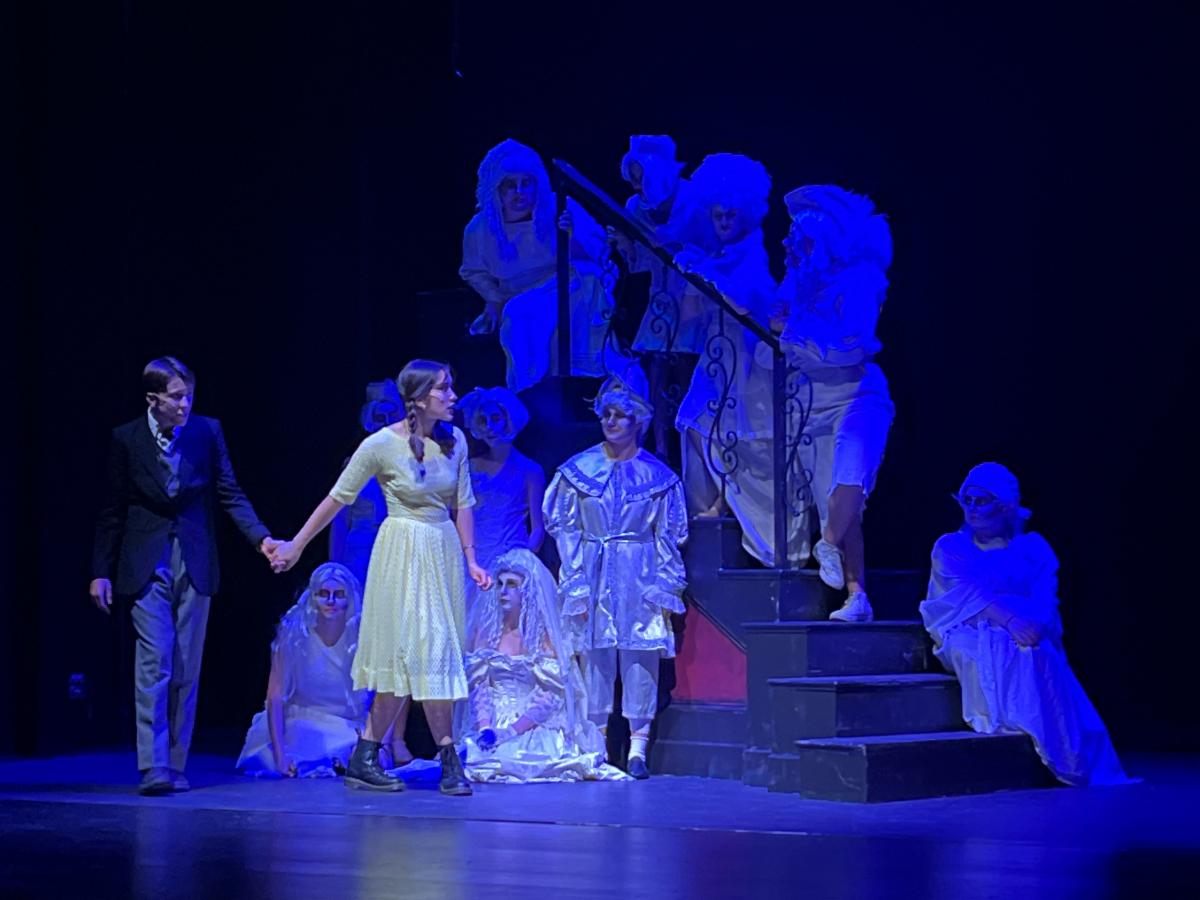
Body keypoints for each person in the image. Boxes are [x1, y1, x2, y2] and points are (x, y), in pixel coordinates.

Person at [269, 360, 491, 795]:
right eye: (444, 389)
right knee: (408, 653)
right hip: (401, 551)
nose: (453, 396)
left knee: (435, 651)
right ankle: (442, 758)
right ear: (419, 398)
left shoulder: (456, 441)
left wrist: (471, 560)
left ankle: (368, 755)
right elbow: (337, 499)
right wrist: (296, 544)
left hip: (442, 550)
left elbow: (463, 503)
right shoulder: (380, 445)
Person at [90, 356, 278, 795]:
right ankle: (152, 764)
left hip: (194, 558)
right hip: (145, 560)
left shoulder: (206, 432)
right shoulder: (127, 438)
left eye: (189, 395)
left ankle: (175, 763)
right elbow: (112, 509)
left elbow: (229, 492)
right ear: (153, 399)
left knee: (185, 665)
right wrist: (100, 571)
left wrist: (261, 538)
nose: (185, 404)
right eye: (176, 397)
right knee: (155, 659)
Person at [919, 462, 1130, 786]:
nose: (972, 508)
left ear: (1004, 506)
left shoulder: (1032, 549)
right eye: (967, 500)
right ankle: (1011, 731)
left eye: (981, 501)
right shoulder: (952, 546)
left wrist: (1033, 623)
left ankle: (1049, 746)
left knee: (1034, 652)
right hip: (970, 624)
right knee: (990, 649)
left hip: (1024, 625)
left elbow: (1045, 596)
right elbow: (962, 593)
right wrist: (1009, 620)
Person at [544, 375, 688, 779]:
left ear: (636, 421)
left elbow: (668, 535)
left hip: (639, 572)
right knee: (595, 657)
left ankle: (637, 749)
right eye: (606, 414)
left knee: (641, 656)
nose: (611, 421)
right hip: (594, 568)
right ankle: (599, 746)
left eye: (620, 415)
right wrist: (575, 579)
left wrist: (665, 585)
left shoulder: (658, 477)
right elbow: (566, 529)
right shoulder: (579, 471)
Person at [773, 185, 896, 620]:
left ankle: (826, 543)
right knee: (839, 504)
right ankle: (857, 596)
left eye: (804, 242)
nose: (795, 249)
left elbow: (852, 347)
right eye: (794, 241)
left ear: (823, 242)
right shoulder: (799, 282)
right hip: (814, 402)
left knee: (850, 478)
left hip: (857, 396)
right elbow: (774, 319)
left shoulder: (858, 283)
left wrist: (797, 335)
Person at [672, 153, 787, 565]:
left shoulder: (752, 252)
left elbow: (743, 303)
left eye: (730, 214)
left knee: (737, 432)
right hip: (718, 352)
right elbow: (690, 315)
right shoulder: (717, 255)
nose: (723, 221)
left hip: (747, 354)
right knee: (694, 423)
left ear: (746, 213)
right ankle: (713, 505)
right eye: (717, 214)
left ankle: (725, 507)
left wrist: (705, 275)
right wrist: (692, 277)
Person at [459, 138, 616, 393]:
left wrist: (572, 235)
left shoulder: (558, 207)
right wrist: (494, 299)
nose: (520, 192)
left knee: (577, 294)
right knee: (519, 316)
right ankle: (530, 392)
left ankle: (581, 382)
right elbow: (473, 271)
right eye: (510, 185)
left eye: (527, 183)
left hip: (565, 285)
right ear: (497, 189)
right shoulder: (480, 228)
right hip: (516, 293)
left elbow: (598, 252)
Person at [461, 548, 627, 783]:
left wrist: (512, 730)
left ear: (527, 590)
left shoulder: (543, 638)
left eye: (512, 584)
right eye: (499, 584)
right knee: (474, 755)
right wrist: (485, 728)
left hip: (530, 724)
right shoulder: (487, 634)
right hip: (492, 721)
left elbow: (551, 696)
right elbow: (480, 687)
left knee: (521, 759)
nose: (503, 591)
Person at [608, 135, 707, 460]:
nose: (636, 186)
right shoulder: (635, 206)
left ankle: (691, 452)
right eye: (632, 179)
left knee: (686, 369)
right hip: (661, 296)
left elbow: (704, 246)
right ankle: (660, 448)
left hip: (693, 294)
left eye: (641, 178)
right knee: (657, 368)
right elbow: (640, 263)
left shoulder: (692, 198)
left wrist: (661, 242)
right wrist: (626, 245)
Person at [237, 562, 368, 777]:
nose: (331, 601)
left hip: (346, 725)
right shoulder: (294, 633)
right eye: (323, 594)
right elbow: (275, 696)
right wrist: (280, 754)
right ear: (313, 596)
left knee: (359, 752)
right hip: (300, 722)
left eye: (339, 594)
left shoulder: (362, 636)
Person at [328, 380, 404, 586]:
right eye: (380, 417)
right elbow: (340, 520)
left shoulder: (415, 459)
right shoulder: (355, 462)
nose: (386, 423)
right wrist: (335, 567)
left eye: (392, 416)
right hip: (360, 550)